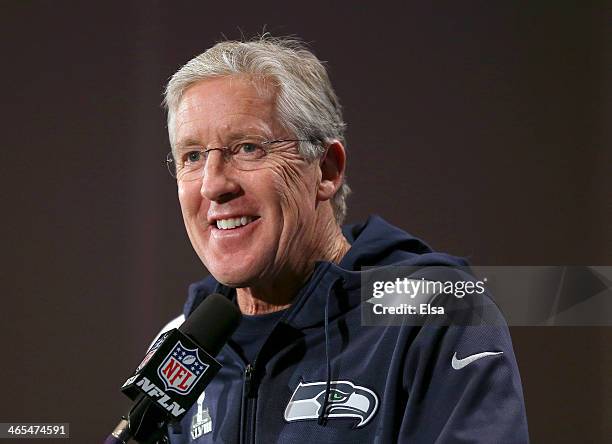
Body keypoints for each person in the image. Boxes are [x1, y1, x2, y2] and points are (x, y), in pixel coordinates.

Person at [155, 35, 529, 443]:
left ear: (328, 170)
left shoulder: (434, 312)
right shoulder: (185, 342)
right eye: (192, 156)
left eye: (247, 148)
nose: (212, 185)